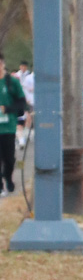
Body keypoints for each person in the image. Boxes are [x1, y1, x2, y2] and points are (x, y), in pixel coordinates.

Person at [0, 56, 27, 196]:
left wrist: (7, 109)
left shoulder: (12, 82)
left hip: (8, 127)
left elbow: (22, 102)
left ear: (3, 64)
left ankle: (8, 178)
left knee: (9, 159)